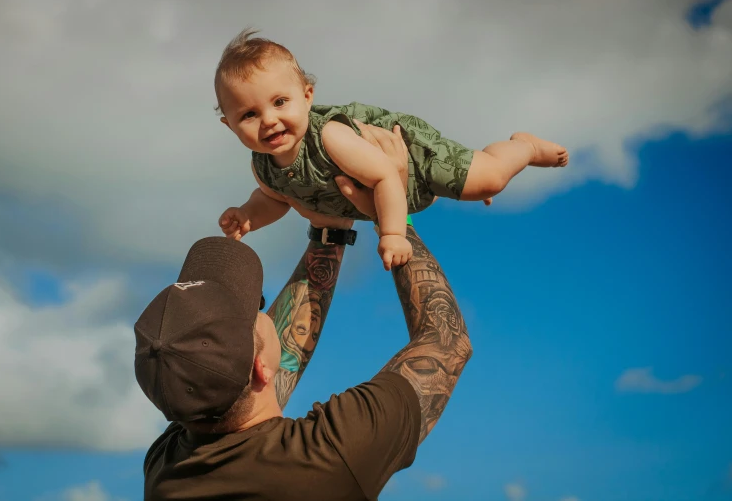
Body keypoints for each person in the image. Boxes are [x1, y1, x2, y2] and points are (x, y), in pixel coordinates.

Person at [136, 123, 473, 500]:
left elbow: (251, 376)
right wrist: (394, 216)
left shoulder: (167, 469)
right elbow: (447, 342)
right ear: (261, 368)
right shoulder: (330, 455)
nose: (263, 309)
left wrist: (329, 230)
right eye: (256, 307)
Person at [217, 27, 569, 270]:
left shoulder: (329, 138)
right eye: (249, 114)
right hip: (389, 197)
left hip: (407, 157)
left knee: (488, 180)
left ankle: (522, 147)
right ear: (229, 126)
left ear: (307, 97)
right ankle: (474, 167)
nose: (268, 120)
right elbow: (275, 199)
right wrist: (249, 214)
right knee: (468, 188)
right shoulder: (263, 166)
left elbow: (386, 174)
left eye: (280, 102)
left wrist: (392, 234)